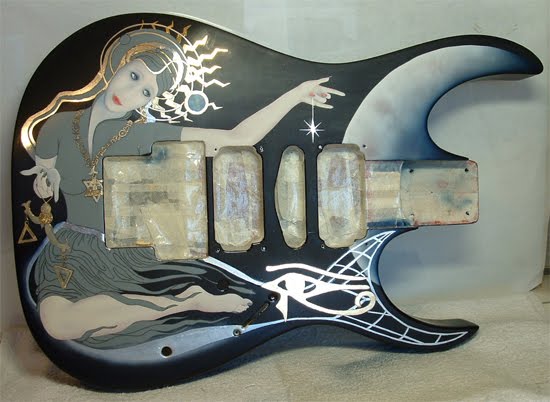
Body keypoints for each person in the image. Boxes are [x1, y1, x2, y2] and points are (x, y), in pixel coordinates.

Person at [20, 22, 344, 348]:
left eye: (145, 92)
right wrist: (46, 180)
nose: (129, 94)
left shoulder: (141, 134)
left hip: (121, 255)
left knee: (64, 326)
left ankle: (184, 302)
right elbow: (43, 174)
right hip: (70, 249)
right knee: (61, 325)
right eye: (134, 76)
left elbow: (238, 138)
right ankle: (182, 303)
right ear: (117, 66)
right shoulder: (58, 125)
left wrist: (295, 94)